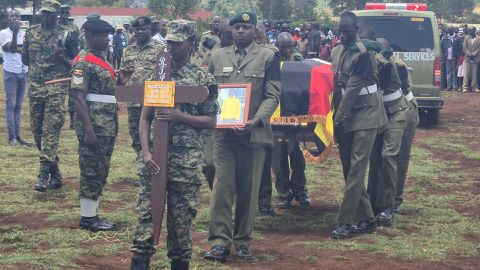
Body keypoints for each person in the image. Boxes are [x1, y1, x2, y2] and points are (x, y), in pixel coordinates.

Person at [129, 19, 219, 270]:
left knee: (181, 229)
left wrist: (181, 117)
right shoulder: (156, 75)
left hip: (185, 164)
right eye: (168, 42)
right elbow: (144, 118)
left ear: (190, 45)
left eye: (177, 43)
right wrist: (146, 153)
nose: (170, 47)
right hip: (154, 161)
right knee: (144, 226)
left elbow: (211, 120)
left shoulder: (203, 78)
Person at [204, 12, 280, 261]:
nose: (240, 31)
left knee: (249, 189)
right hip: (224, 135)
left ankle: (243, 240)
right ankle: (219, 241)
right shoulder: (216, 56)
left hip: (254, 134)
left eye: (246, 27)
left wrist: (256, 120)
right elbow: (210, 92)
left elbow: (273, 96)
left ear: (254, 30)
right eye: (237, 27)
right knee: (222, 187)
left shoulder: (268, 56)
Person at [70, 18, 133, 232]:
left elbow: (106, 91)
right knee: (91, 170)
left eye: (107, 35)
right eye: (102, 36)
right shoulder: (84, 62)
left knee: (101, 169)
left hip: (106, 124)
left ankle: (93, 213)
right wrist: (88, 129)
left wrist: (121, 80)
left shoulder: (102, 59)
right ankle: (88, 218)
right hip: (95, 126)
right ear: (89, 36)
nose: (107, 39)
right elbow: (78, 98)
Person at [330, 11, 387, 239]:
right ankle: (367, 218)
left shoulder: (364, 55)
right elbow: (335, 85)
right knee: (348, 169)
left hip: (366, 115)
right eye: (340, 32)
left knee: (355, 169)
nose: (343, 36)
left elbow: (352, 90)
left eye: (347, 32)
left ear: (356, 31)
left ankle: (345, 222)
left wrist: (335, 120)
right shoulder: (337, 51)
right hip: (346, 114)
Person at [22, 0, 73, 192]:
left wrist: (62, 58)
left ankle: (43, 174)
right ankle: (56, 174)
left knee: (50, 131)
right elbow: (25, 59)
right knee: (38, 133)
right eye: (44, 13)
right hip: (36, 89)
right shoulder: (31, 33)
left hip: (56, 90)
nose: (47, 16)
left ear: (58, 14)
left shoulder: (67, 35)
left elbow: (75, 63)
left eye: (51, 13)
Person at [367, 37, 409, 227]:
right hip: (378, 115)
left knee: (388, 156)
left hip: (396, 113)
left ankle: (387, 207)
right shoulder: (368, 63)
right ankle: (372, 202)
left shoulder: (394, 66)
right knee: (374, 158)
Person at [121, 16, 165, 187]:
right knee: (137, 138)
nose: (140, 32)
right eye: (137, 29)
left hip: (153, 102)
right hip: (133, 103)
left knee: (153, 137)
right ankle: (143, 168)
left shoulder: (160, 49)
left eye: (144, 29)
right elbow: (124, 77)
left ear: (150, 29)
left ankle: (149, 171)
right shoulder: (128, 51)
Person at [271, 32, 309, 210]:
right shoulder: (272, 62)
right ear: (277, 45)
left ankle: (300, 191)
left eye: (289, 46)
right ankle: (284, 194)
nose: (286, 49)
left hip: (295, 116)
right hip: (276, 117)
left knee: (297, 157)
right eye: (282, 46)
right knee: (278, 160)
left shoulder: (299, 62)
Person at [202, 18, 233, 191]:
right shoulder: (213, 55)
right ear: (219, 36)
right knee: (209, 164)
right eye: (227, 36)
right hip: (214, 116)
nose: (231, 39)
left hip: (237, 115)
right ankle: (218, 193)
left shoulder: (245, 53)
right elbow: (206, 82)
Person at [392, 51, 419, 214]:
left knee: (400, 157)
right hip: (398, 107)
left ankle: (396, 198)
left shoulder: (396, 65)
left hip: (405, 108)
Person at [0, 10, 32, 146]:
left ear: (20, 18)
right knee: (11, 105)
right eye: (12, 16)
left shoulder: (25, 34)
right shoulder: (3, 33)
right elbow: (11, 49)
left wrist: (20, 48)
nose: (14, 18)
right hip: (11, 73)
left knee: (19, 106)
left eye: (17, 16)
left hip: (23, 72)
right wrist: (14, 35)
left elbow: (28, 50)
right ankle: (12, 137)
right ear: (8, 19)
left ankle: (18, 136)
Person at [59, 4, 80, 130]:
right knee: (59, 95)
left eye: (67, 12)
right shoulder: (56, 28)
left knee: (74, 94)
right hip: (59, 65)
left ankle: (73, 120)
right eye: (62, 12)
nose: (65, 15)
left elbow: (77, 47)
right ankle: (59, 120)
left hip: (72, 63)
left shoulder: (74, 28)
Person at [462, 28, 480, 93]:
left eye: (471, 30)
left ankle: (474, 87)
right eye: (469, 30)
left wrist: (474, 54)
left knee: (474, 74)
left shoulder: (479, 38)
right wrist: (469, 54)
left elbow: (479, 48)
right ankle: (465, 87)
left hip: (475, 58)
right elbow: (464, 47)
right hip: (467, 58)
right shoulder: (466, 38)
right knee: (466, 74)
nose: (470, 31)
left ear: (474, 31)